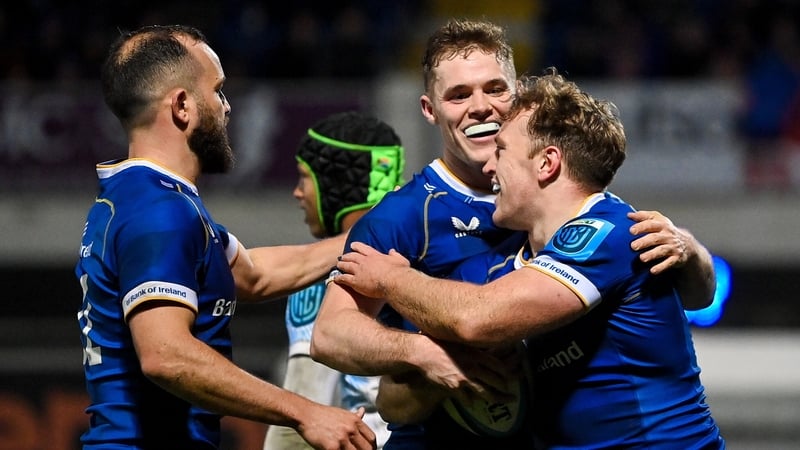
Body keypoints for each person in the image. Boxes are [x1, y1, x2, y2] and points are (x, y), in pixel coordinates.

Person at [310, 18, 716, 449]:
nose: (480, 106)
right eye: (459, 95)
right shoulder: (403, 216)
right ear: (430, 110)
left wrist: (690, 250)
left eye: (495, 89)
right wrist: (421, 353)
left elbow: (691, 293)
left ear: (517, 94)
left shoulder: (583, 215)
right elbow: (332, 336)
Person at [74, 25, 375, 450]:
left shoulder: (144, 199)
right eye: (217, 90)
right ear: (182, 106)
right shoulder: (161, 213)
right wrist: (306, 411)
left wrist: (379, 229)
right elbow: (166, 355)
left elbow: (255, 275)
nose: (227, 107)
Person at [263, 111, 405, 449]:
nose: (297, 193)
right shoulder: (428, 248)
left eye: (304, 177)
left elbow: (300, 409)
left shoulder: (327, 275)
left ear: (336, 186)